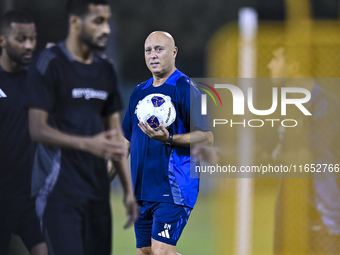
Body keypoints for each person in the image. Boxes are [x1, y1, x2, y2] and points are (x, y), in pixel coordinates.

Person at [25, 0, 138, 254]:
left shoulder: (106, 69)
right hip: (59, 194)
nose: (106, 29)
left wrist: (129, 191)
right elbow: (37, 129)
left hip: (97, 196)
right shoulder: (49, 63)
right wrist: (88, 143)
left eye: (107, 21)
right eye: (98, 21)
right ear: (75, 22)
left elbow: (114, 136)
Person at [122, 31, 213, 255]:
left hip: (175, 188)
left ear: (173, 52)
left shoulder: (186, 88)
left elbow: (207, 136)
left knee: (161, 251)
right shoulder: (138, 92)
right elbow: (125, 141)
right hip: (142, 191)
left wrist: (169, 139)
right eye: (148, 50)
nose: (153, 55)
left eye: (159, 49)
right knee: (145, 251)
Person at [267, 46, 340, 254]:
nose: (269, 65)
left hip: (321, 222)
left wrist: (278, 154)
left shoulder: (325, 105)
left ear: (294, 67)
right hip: (291, 219)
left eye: (275, 59)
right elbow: (264, 152)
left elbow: (305, 158)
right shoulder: (288, 107)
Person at [0, 10, 48, 255]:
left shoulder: (36, 78)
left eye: (32, 38)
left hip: (28, 197)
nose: (29, 45)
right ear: (2, 40)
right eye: (21, 39)